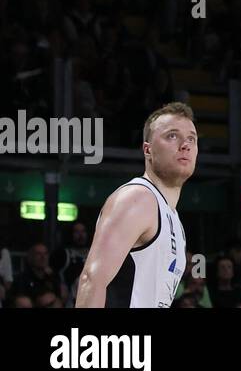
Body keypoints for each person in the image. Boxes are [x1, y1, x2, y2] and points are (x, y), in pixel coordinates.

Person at [75, 102, 193, 307]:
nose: (185, 144)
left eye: (191, 138)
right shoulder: (138, 198)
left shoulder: (173, 217)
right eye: (172, 136)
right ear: (147, 150)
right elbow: (92, 280)